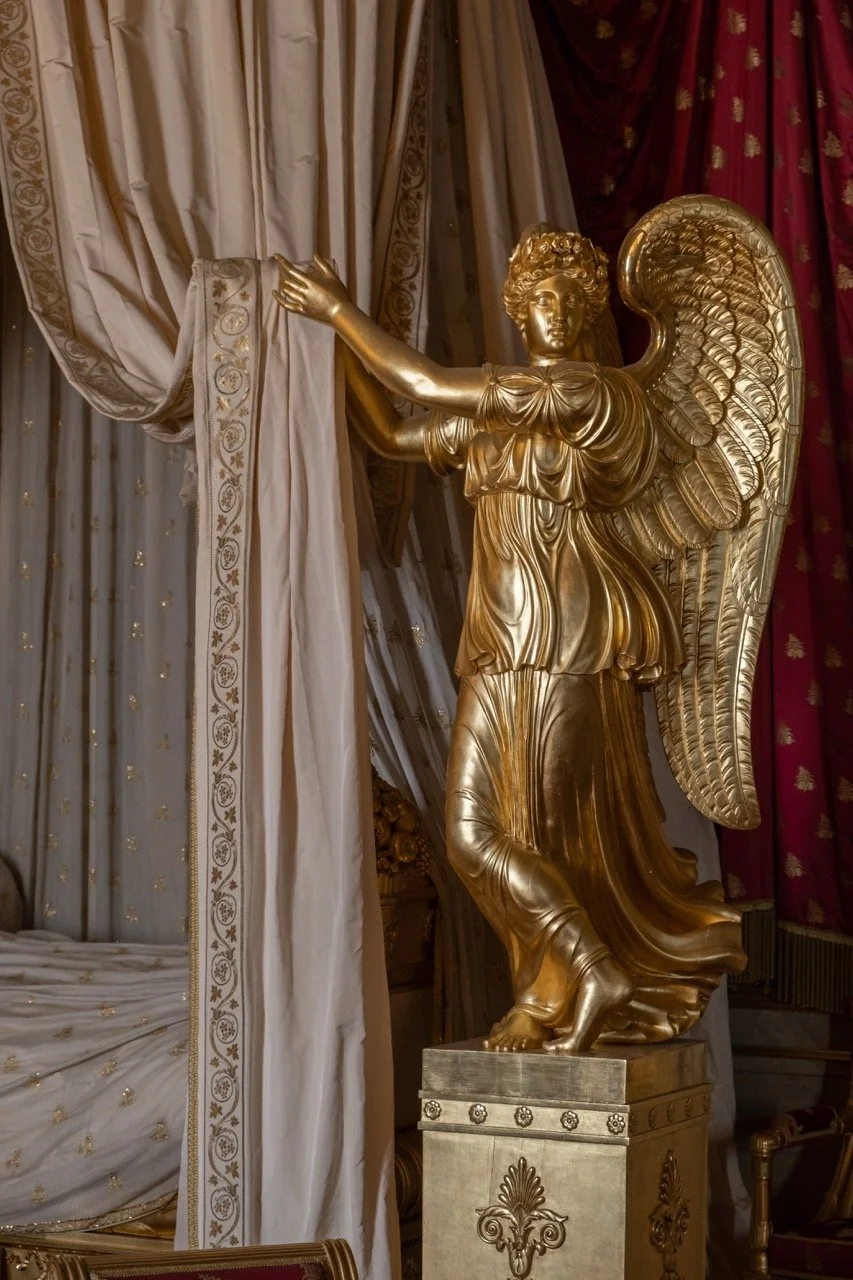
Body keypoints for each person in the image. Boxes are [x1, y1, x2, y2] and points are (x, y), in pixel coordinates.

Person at [274, 225, 745, 1053]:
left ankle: (551, 995)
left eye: (569, 297)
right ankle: (585, 966)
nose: (555, 310)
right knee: (471, 834)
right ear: (518, 312)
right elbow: (389, 431)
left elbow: (420, 379)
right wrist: (323, 342)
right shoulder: (493, 428)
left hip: (569, 644)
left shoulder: (601, 401)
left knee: (553, 832)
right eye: (539, 297)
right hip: (497, 645)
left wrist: (339, 311)